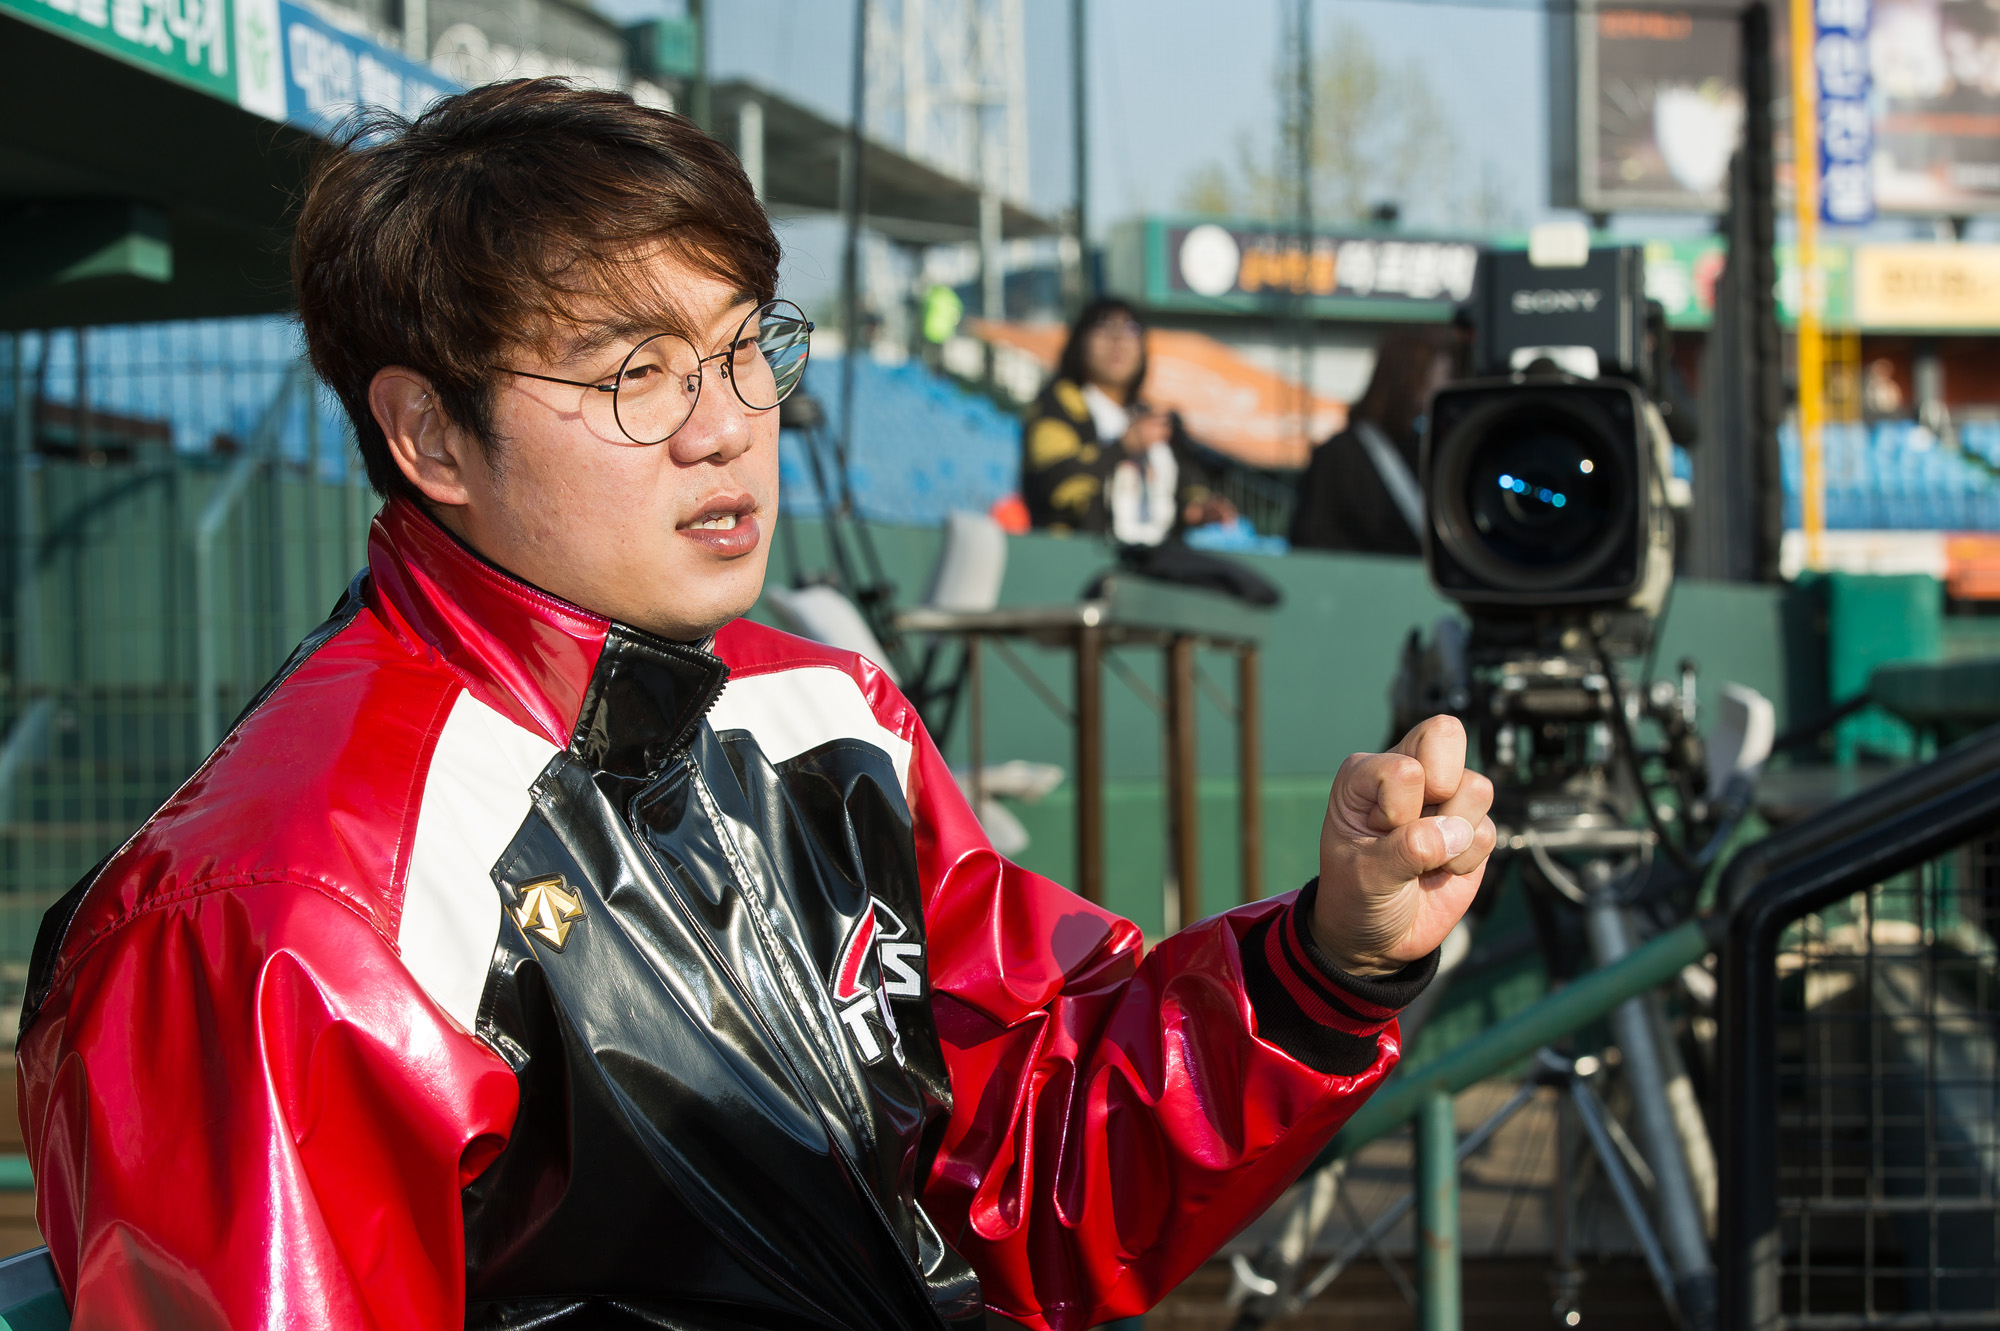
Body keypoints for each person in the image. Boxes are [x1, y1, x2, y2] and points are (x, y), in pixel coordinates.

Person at [15, 81, 1495, 1331]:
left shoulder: (821, 712)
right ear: (428, 434)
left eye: (743, 346)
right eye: (635, 374)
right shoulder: (284, 914)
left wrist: (1323, 964)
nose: (728, 422)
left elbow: (1024, 1170)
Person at [1020, 298, 1235, 542]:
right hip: (1080, 564)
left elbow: (1187, 482)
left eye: (1130, 329)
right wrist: (1123, 447)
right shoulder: (1057, 405)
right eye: (1103, 328)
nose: (1117, 341)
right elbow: (1053, 483)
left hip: (1153, 564)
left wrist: (1196, 509)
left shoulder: (1151, 416)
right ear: (1080, 341)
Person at [1289, 327, 1455, 555]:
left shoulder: (1427, 448)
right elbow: (1312, 538)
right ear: (1413, 378)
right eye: (1442, 375)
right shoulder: (1341, 455)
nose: (1446, 386)